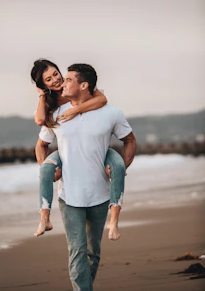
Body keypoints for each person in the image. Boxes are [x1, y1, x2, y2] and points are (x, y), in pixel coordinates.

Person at [36, 63, 136, 291]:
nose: (61, 82)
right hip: (69, 196)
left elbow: (129, 140)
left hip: (100, 196)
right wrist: (49, 170)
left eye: (68, 79)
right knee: (77, 252)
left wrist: (123, 165)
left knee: (93, 253)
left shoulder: (111, 112)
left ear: (84, 85)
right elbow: (41, 145)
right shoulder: (56, 113)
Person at [31, 59, 130, 240]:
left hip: (95, 147)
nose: (56, 79)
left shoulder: (78, 90)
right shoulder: (52, 104)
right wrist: (42, 95)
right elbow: (39, 122)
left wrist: (75, 111)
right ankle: (44, 217)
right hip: (66, 151)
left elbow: (102, 99)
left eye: (55, 73)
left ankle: (114, 220)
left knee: (118, 165)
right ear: (43, 85)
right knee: (45, 168)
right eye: (48, 79)